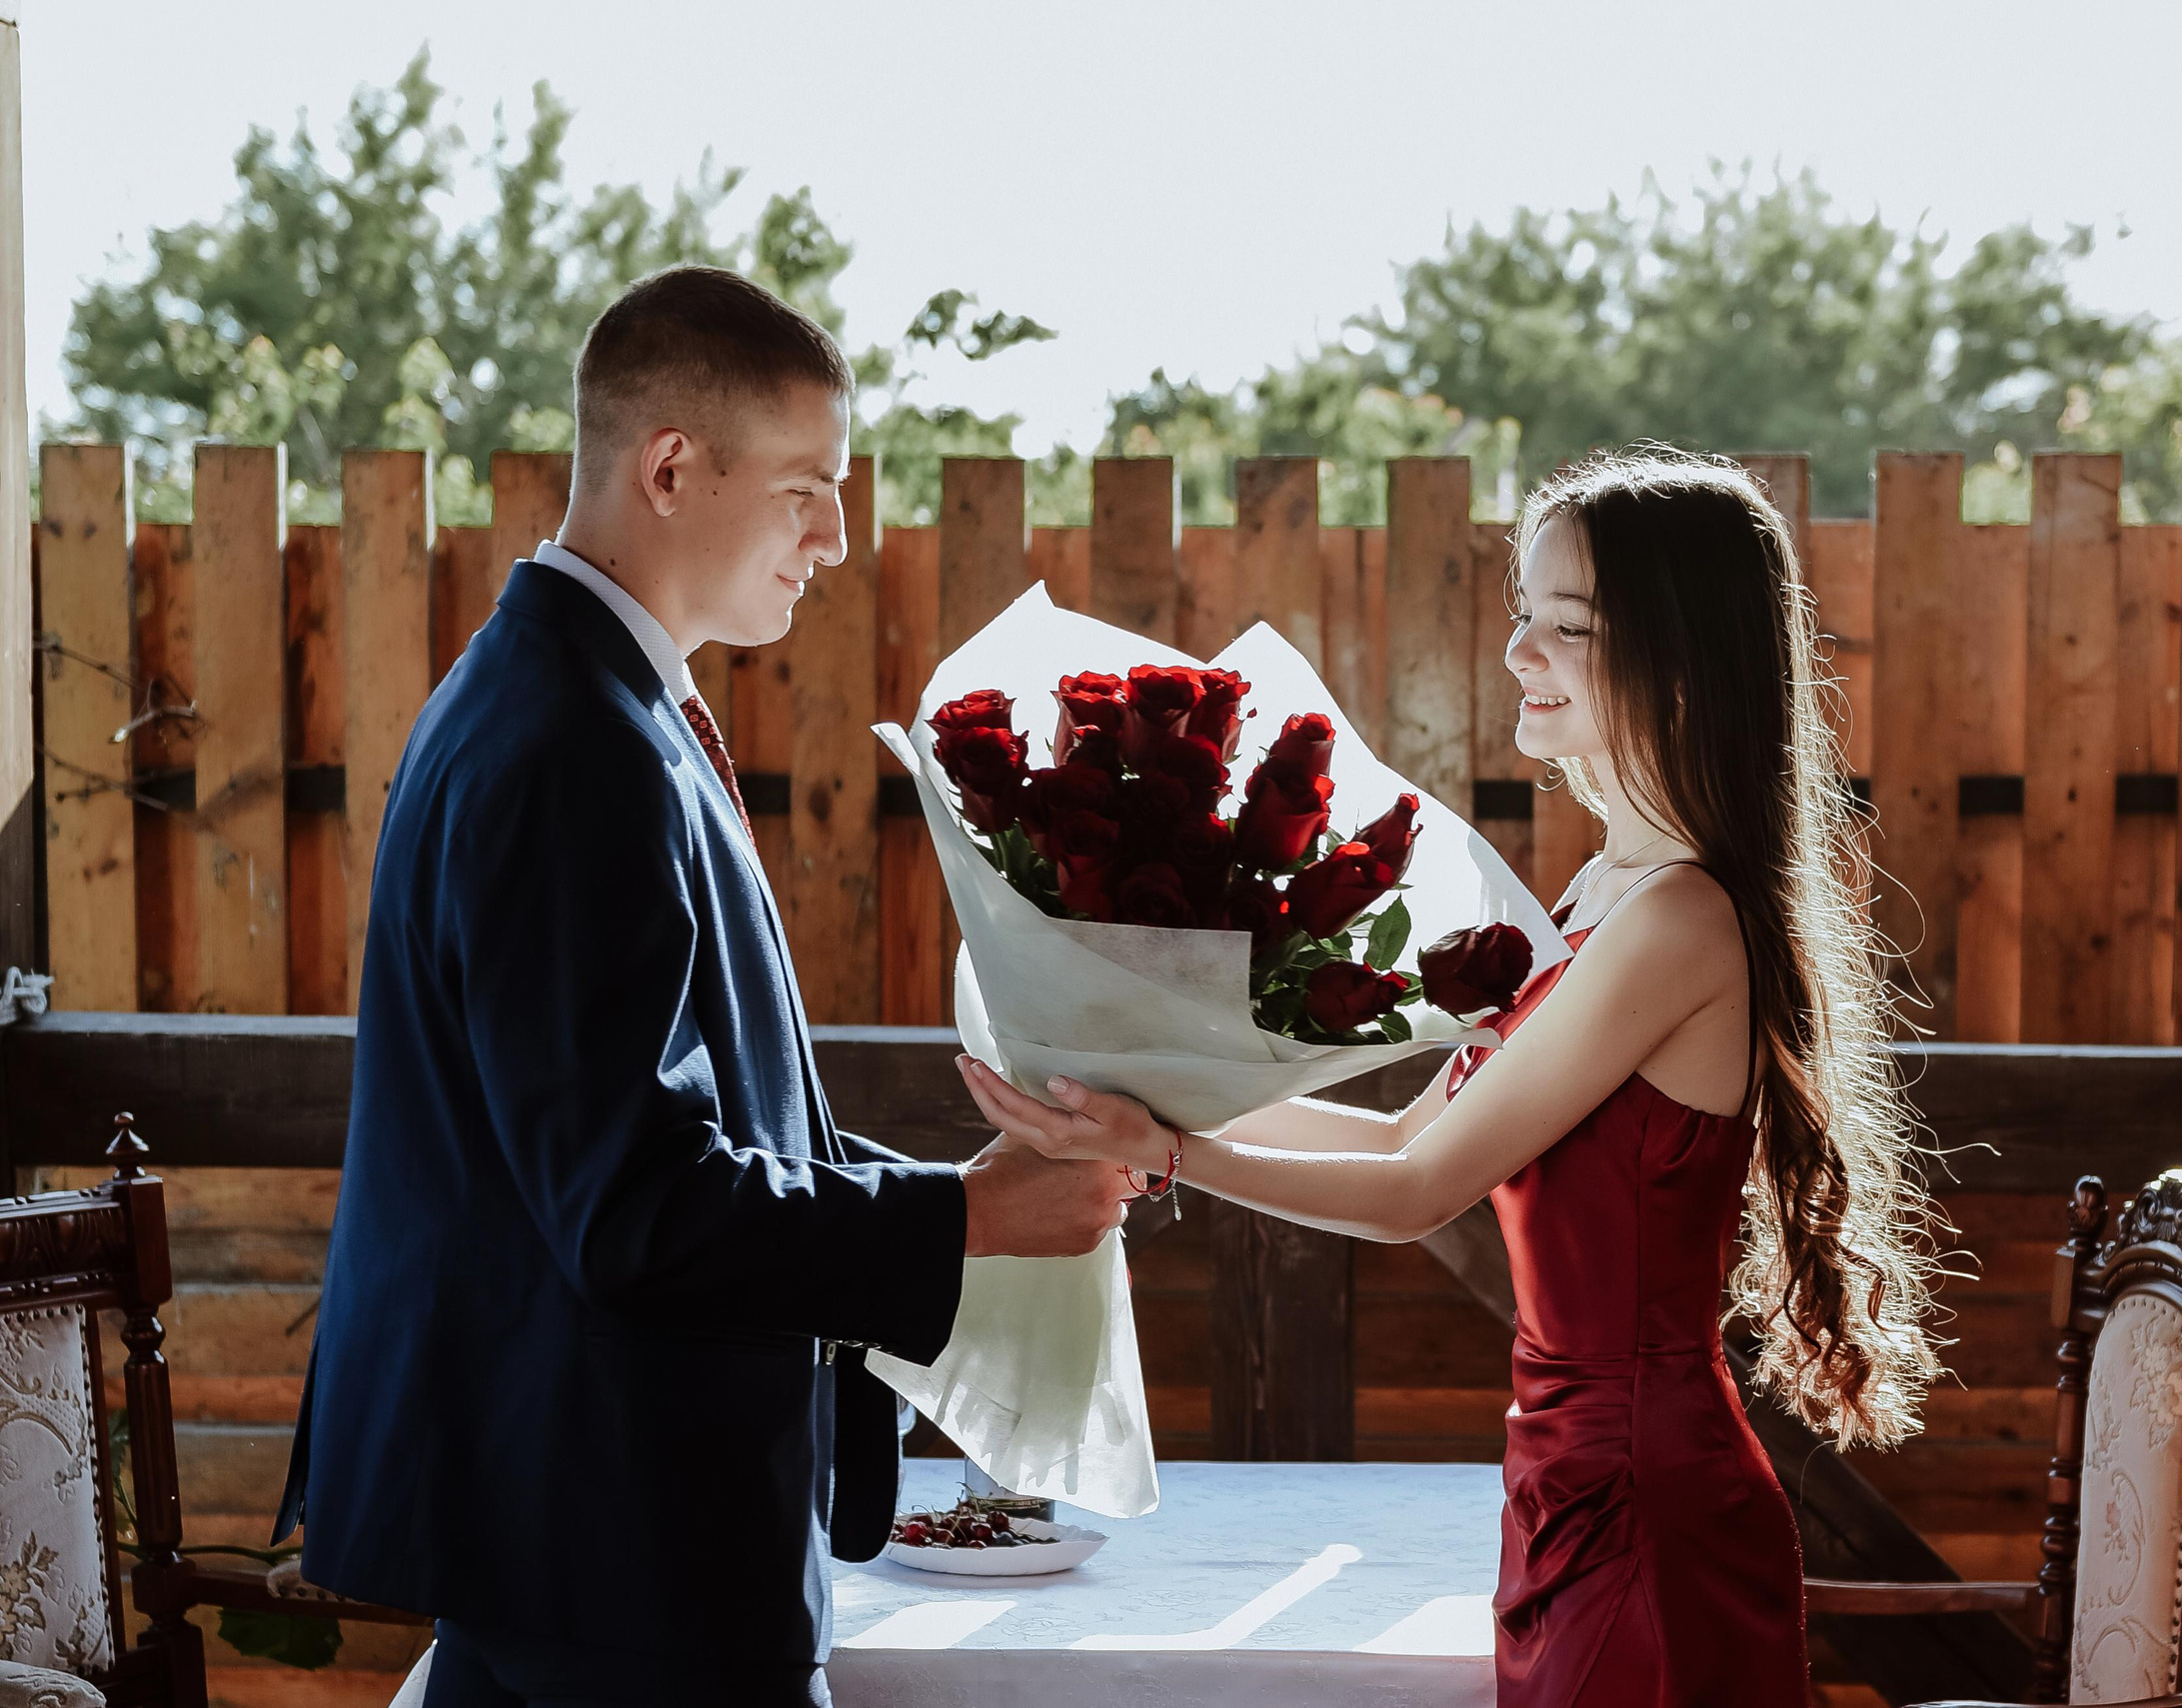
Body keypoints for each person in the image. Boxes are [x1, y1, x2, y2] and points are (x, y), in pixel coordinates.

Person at [956, 448, 1941, 1706]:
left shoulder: (1679, 918)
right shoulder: (1602, 892)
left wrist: (1161, 1149)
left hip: (1644, 1496)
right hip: (1570, 1473)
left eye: (1569, 625)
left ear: (1683, 659)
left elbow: (1419, 1192)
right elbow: (1396, 1137)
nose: (1520, 649)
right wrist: (1129, 1097)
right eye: (1524, 614)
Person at [276, 265, 1127, 1708]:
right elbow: (635, 1207)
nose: (837, 537)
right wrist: (966, 1216)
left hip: (575, 1534)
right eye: (807, 489)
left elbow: (681, 1129)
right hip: (614, 1549)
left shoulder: (574, 697)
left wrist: (989, 1185)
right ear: (670, 468)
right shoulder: (574, 744)